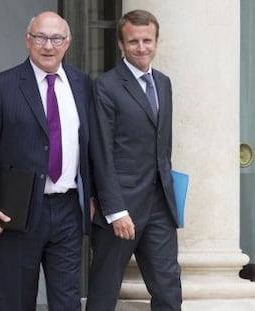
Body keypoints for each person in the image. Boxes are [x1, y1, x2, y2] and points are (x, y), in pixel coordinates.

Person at [0, 11, 92, 311]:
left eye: (56, 38)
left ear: (68, 42)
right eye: (40, 37)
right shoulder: (1, 86)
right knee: (17, 301)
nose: (48, 45)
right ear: (27, 41)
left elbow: (92, 146)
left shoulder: (82, 84)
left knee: (67, 301)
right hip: (16, 212)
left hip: (68, 209)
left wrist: (95, 195)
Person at [86, 9, 182, 311]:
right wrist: (114, 210)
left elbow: (161, 147)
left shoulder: (164, 83)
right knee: (103, 292)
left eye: (147, 40)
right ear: (121, 45)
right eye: (133, 41)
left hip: (159, 208)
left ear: (156, 41)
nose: (141, 48)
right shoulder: (106, 86)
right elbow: (101, 151)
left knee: (168, 290)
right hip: (121, 209)